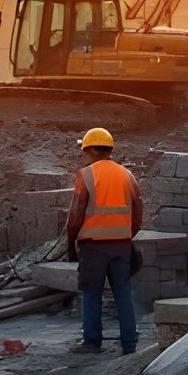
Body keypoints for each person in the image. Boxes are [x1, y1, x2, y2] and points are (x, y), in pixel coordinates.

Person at [64, 127, 143, 354]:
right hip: (121, 244)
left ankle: (92, 341)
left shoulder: (86, 175)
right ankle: (129, 343)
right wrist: (127, 235)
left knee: (91, 293)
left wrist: (71, 244)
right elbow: (138, 212)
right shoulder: (127, 175)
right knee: (123, 293)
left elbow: (76, 215)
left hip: (93, 246)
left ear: (90, 150)